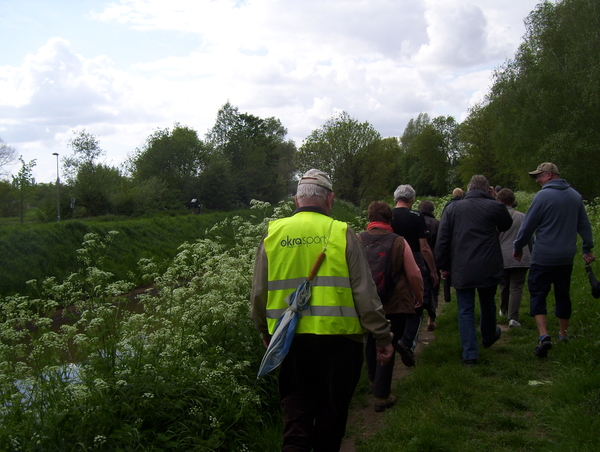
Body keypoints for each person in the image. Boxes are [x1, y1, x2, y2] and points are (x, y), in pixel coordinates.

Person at [250, 169, 394, 451]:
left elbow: (258, 294)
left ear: (296, 200)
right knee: (332, 414)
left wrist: (265, 330)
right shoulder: (342, 233)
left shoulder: (274, 233)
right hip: (340, 343)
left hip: (290, 341)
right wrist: (382, 336)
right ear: (330, 199)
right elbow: (365, 293)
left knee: (296, 413)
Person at [513, 162, 595, 358]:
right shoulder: (575, 196)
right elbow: (584, 225)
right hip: (566, 257)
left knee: (538, 293)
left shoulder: (542, 196)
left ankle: (543, 335)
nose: (537, 181)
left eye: (539, 177)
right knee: (562, 294)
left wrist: (518, 247)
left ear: (549, 175)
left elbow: (528, 226)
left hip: (543, 256)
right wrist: (587, 248)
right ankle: (563, 334)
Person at [436, 175, 513, 365]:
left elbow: (443, 239)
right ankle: (487, 336)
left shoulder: (452, 208)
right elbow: (506, 224)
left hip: (462, 266)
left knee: (465, 309)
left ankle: (470, 354)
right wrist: (493, 198)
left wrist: (442, 265)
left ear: (468, 189)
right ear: (488, 190)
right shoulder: (494, 206)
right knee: (488, 303)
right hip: (488, 264)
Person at [358, 201, 423, 412]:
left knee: (370, 340)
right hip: (395, 303)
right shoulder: (399, 241)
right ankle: (382, 394)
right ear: (389, 219)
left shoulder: (357, 239)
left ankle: (373, 381)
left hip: (367, 302)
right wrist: (419, 296)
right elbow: (413, 274)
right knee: (389, 341)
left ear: (369, 219)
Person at [391, 185, 438, 367]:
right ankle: (408, 342)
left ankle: (395, 338)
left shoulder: (389, 216)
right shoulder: (417, 217)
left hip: (392, 263)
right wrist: (432, 270)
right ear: (411, 200)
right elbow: (424, 247)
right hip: (414, 261)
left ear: (396, 199)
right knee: (417, 302)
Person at [496, 188, 530, 328]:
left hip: (502, 256)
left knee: (504, 285)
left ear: (499, 200)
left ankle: (503, 310)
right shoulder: (522, 216)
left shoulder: (497, 217)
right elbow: (529, 237)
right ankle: (513, 318)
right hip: (521, 256)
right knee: (517, 287)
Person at [417, 200, 440, 331]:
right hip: (433, 260)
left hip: (418, 260)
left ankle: (417, 319)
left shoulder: (415, 222)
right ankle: (431, 319)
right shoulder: (437, 223)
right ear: (432, 211)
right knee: (434, 289)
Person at [441, 188, 464, 303]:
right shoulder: (463, 205)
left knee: (448, 268)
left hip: (450, 238)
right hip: (460, 238)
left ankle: (447, 295)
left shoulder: (448, 206)